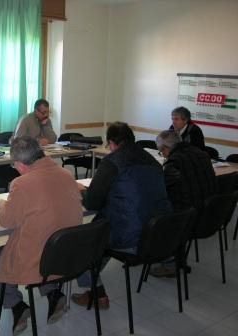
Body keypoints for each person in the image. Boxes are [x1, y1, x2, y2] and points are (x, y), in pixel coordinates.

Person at [71, 122, 172, 308]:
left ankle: (97, 294)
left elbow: (93, 202)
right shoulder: (154, 162)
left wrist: (81, 191)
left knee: (79, 244)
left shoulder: (112, 162)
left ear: (112, 143)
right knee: (104, 234)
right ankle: (92, 273)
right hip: (158, 235)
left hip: (130, 238)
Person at [0, 136, 82, 334]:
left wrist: (1, 204)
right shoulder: (66, 175)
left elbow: (7, 221)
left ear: (21, 165)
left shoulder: (21, 184)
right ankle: (53, 294)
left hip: (39, 258)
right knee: (44, 246)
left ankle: (17, 305)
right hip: (67, 254)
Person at [149, 129, 216, 277]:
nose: (163, 155)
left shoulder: (175, 162)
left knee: (153, 212)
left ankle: (169, 262)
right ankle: (173, 257)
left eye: (161, 152)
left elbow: (161, 189)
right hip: (209, 215)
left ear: (165, 149)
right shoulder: (202, 154)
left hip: (189, 218)